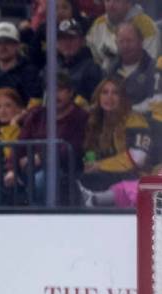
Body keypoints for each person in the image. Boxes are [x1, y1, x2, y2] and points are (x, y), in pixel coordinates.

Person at [15, 71, 90, 205]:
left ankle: (40, 222)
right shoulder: (37, 115)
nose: (55, 95)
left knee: (41, 179)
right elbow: (20, 145)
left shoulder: (81, 117)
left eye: (60, 90)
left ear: (71, 92)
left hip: (65, 171)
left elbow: (73, 148)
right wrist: (11, 169)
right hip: (29, 168)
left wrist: (41, 157)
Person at [78, 75, 151, 206]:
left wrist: (100, 165)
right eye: (105, 92)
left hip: (132, 177)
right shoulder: (95, 122)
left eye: (115, 93)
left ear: (123, 98)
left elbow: (138, 158)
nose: (109, 98)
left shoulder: (135, 120)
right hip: (102, 176)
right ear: (98, 96)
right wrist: (90, 163)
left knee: (92, 180)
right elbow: (91, 153)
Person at [0, 22, 43, 119]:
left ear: (17, 45)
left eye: (8, 42)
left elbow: (35, 104)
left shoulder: (30, 72)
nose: (3, 47)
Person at [86, 0, 159, 72]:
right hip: (106, 79)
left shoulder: (146, 26)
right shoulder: (98, 25)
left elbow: (149, 65)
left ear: (128, 3)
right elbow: (94, 60)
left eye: (117, 1)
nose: (111, 5)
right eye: (108, 0)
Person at [107, 21, 155, 113]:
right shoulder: (110, 69)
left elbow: (155, 103)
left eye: (129, 40)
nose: (125, 46)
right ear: (116, 43)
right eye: (121, 41)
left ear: (141, 41)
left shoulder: (155, 69)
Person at [55, 17, 104, 106]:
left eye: (72, 38)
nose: (67, 43)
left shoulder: (92, 69)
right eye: (62, 38)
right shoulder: (50, 67)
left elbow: (96, 105)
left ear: (82, 41)